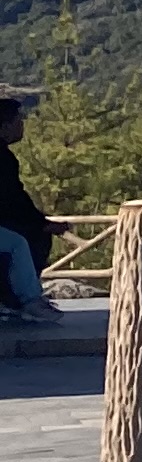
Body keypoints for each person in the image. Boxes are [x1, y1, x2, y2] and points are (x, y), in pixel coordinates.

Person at [0, 89, 58, 323]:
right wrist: (40, 223)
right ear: (4, 126)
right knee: (19, 243)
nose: (22, 126)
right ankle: (28, 300)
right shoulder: (2, 158)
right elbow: (13, 198)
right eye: (18, 121)